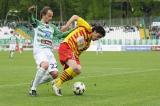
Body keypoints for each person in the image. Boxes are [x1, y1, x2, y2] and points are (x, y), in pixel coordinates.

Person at [52, 15, 106, 96]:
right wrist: (67, 26)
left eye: (99, 38)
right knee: (75, 67)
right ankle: (57, 85)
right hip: (66, 46)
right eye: (98, 36)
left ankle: (57, 81)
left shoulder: (87, 44)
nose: (97, 39)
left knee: (78, 70)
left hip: (72, 53)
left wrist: (71, 64)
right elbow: (75, 17)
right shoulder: (87, 27)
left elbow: (78, 53)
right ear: (94, 31)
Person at [28, 6, 70, 96]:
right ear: (43, 15)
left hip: (48, 51)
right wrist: (30, 13)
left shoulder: (52, 27)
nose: (50, 18)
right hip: (39, 49)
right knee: (45, 65)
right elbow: (31, 20)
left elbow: (61, 35)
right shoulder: (38, 23)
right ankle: (33, 89)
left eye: (51, 16)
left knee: (55, 74)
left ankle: (34, 83)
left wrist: (74, 30)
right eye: (49, 15)